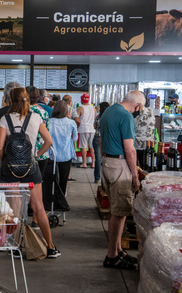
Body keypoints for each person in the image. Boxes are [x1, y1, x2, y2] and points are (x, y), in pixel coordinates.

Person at [0, 87, 60, 258]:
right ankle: (51, 246)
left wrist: (6, 162)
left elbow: (0, 148)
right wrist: (36, 155)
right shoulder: (36, 117)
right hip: (31, 168)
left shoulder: (5, 119)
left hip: (11, 171)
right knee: (38, 207)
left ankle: (15, 246)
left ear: (10, 100)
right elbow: (49, 141)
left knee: (14, 210)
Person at [100, 90, 144, 270]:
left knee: (118, 210)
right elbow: (130, 149)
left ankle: (118, 250)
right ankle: (111, 256)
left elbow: (102, 141)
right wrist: (135, 175)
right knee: (119, 213)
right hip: (119, 165)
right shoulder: (126, 116)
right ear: (138, 106)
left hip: (108, 163)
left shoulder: (109, 111)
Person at [44, 100, 78, 204]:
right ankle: (61, 202)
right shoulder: (71, 122)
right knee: (63, 180)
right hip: (65, 155)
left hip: (51, 155)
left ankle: (50, 201)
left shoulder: (48, 121)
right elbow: (75, 139)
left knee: (50, 180)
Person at [26, 86, 50, 227]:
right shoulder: (44, 112)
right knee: (38, 187)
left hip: (25, 153)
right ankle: (35, 220)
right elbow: (47, 132)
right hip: (41, 153)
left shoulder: (23, 112)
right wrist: (38, 154)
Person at [76, 93, 97, 168]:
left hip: (83, 129)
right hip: (91, 129)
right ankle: (93, 163)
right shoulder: (93, 108)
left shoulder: (80, 108)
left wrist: (78, 126)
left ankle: (84, 163)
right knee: (92, 147)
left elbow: (77, 119)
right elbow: (95, 118)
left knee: (83, 146)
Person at [93, 102, 110, 183]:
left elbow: (95, 126)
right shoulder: (110, 117)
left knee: (98, 158)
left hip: (97, 137)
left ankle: (97, 177)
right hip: (107, 138)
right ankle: (106, 178)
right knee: (108, 159)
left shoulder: (98, 117)